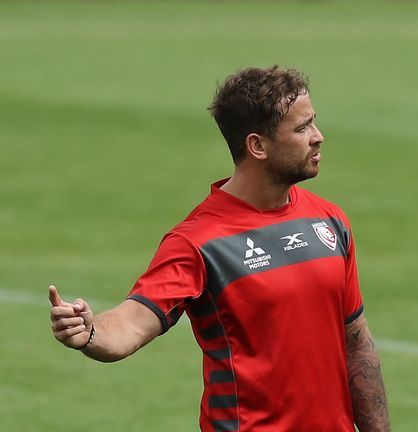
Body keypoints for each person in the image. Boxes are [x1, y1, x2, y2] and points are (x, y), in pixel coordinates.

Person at [49, 66, 390, 432]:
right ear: (257, 145)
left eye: (314, 123)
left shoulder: (328, 221)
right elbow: (133, 322)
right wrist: (91, 332)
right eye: (301, 128)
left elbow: (356, 344)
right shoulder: (199, 241)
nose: (318, 137)